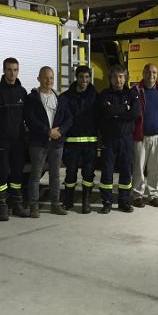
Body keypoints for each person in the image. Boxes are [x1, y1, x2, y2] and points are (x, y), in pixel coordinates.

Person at [25, 66, 73, 217]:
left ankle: (55, 205)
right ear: (39, 78)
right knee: (36, 175)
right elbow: (30, 119)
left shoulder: (60, 98)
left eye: (51, 78)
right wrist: (47, 132)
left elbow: (69, 118)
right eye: (45, 77)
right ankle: (34, 206)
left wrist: (60, 131)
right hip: (38, 144)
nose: (49, 81)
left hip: (57, 143)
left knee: (55, 176)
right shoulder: (32, 98)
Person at [0, 57, 30, 220]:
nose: (12, 73)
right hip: (1, 141)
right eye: (10, 70)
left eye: (15, 70)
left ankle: (17, 204)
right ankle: (2, 205)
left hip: (18, 140)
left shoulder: (22, 92)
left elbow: (26, 117)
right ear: (4, 70)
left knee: (17, 173)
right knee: (2, 172)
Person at [98, 64, 140, 214]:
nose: (118, 80)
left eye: (121, 76)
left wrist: (115, 112)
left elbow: (136, 113)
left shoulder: (132, 94)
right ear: (110, 78)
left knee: (126, 171)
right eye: (115, 76)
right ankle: (107, 202)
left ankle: (124, 202)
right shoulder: (104, 94)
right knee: (107, 171)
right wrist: (125, 108)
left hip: (126, 139)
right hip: (109, 140)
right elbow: (106, 111)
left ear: (125, 78)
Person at [131, 63, 158, 208]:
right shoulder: (135, 91)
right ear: (143, 73)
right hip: (140, 137)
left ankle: (153, 195)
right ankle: (137, 195)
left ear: (157, 74)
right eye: (148, 72)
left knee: (156, 169)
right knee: (138, 168)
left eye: (154, 72)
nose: (151, 75)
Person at [60, 65, 98, 214]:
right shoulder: (66, 97)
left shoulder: (95, 96)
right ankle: (68, 201)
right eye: (81, 77)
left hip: (90, 142)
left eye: (87, 77)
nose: (84, 80)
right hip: (72, 142)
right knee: (70, 174)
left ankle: (86, 201)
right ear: (76, 77)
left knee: (88, 174)